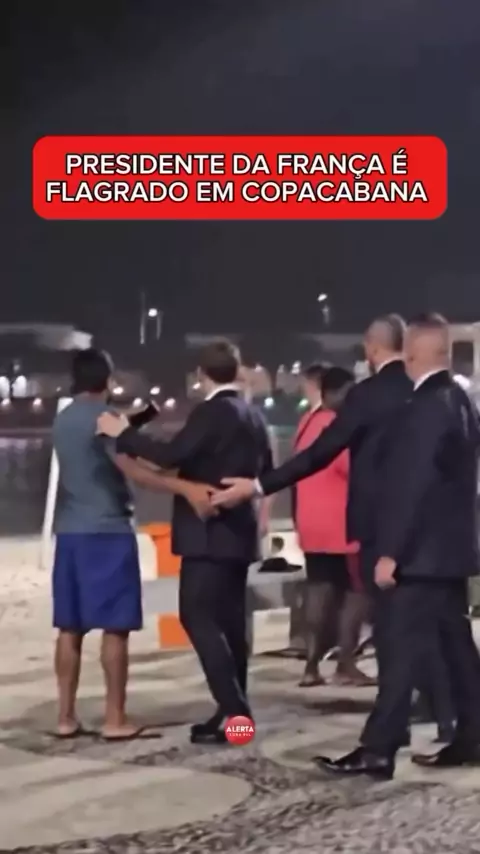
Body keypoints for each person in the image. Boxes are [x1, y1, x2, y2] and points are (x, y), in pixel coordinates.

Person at [212, 314, 454, 741]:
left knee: (393, 624)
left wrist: (258, 486)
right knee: (433, 623)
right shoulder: (433, 391)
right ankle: (439, 708)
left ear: (371, 347)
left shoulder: (369, 394)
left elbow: (319, 453)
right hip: (432, 529)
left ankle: (392, 727)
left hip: (380, 527)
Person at [317, 314, 480, 780]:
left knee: (399, 646)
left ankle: (378, 748)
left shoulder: (427, 406)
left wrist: (391, 551)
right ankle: (473, 735)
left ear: (412, 354)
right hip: (449, 553)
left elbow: (414, 486)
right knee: (457, 649)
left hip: (420, 555)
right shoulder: (461, 400)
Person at [98, 339, 273, 744]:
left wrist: (124, 433)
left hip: (208, 534)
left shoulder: (213, 411)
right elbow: (265, 471)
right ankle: (230, 710)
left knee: (197, 617)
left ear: (200, 375)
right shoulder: (253, 415)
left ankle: (237, 713)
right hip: (240, 532)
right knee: (231, 626)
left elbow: (170, 454)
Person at [53, 348, 214, 741]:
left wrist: (136, 422)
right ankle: (114, 719)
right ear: (108, 380)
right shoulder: (105, 419)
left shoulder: (64, 418)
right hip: (108, 531)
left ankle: (65, 716)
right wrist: (184, 486)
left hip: (70, 532)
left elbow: (99, 442)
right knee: (115, 627)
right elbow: (135, 471)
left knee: (70, 627)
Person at [294, 364, 374, 687]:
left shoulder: (307, 422)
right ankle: (345, 663)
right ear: (336, 392)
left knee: (319, 589)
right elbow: (353, 471)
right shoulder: (338, 427)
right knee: (358, 592)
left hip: (310, 523)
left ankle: (311, 667)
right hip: (342, 525)